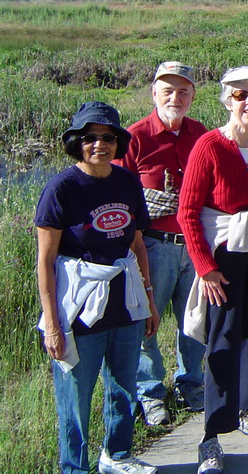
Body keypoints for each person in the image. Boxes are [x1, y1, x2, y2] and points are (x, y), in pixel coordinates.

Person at [35, 101, 159, 474]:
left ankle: (117, 455)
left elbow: (137, 244)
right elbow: (45, 261)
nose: (99, 144)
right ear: (77, 142)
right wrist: (54, 325)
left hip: (125, 298)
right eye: (90, 137)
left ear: (119, 143)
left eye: (108, 137)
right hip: (80, 305)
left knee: (123, 384)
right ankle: (75, 467)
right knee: (75, 395)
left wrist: (149, 300)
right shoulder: (61, 188)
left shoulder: (127, 182)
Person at [178, 67, 248, 474]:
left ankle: (244, 409)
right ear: (227, 100)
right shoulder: (209, 146)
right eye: (241, 96)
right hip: (223, 256)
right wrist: (205, 267)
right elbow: (187, 213)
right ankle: (210, 436)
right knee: (222, 339)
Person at [116, 61, 208, 427]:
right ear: (153, 93)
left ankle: (192, 384)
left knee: (195, 322)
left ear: (192, 97)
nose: (175, 97)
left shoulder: (201, 134)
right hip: (152, 247)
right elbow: (120, 200)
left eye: (183, 91)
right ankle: (151, 394)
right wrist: (150, 202)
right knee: (145, 323)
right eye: (167, 90)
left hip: (195, 244)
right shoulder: (133, 138)